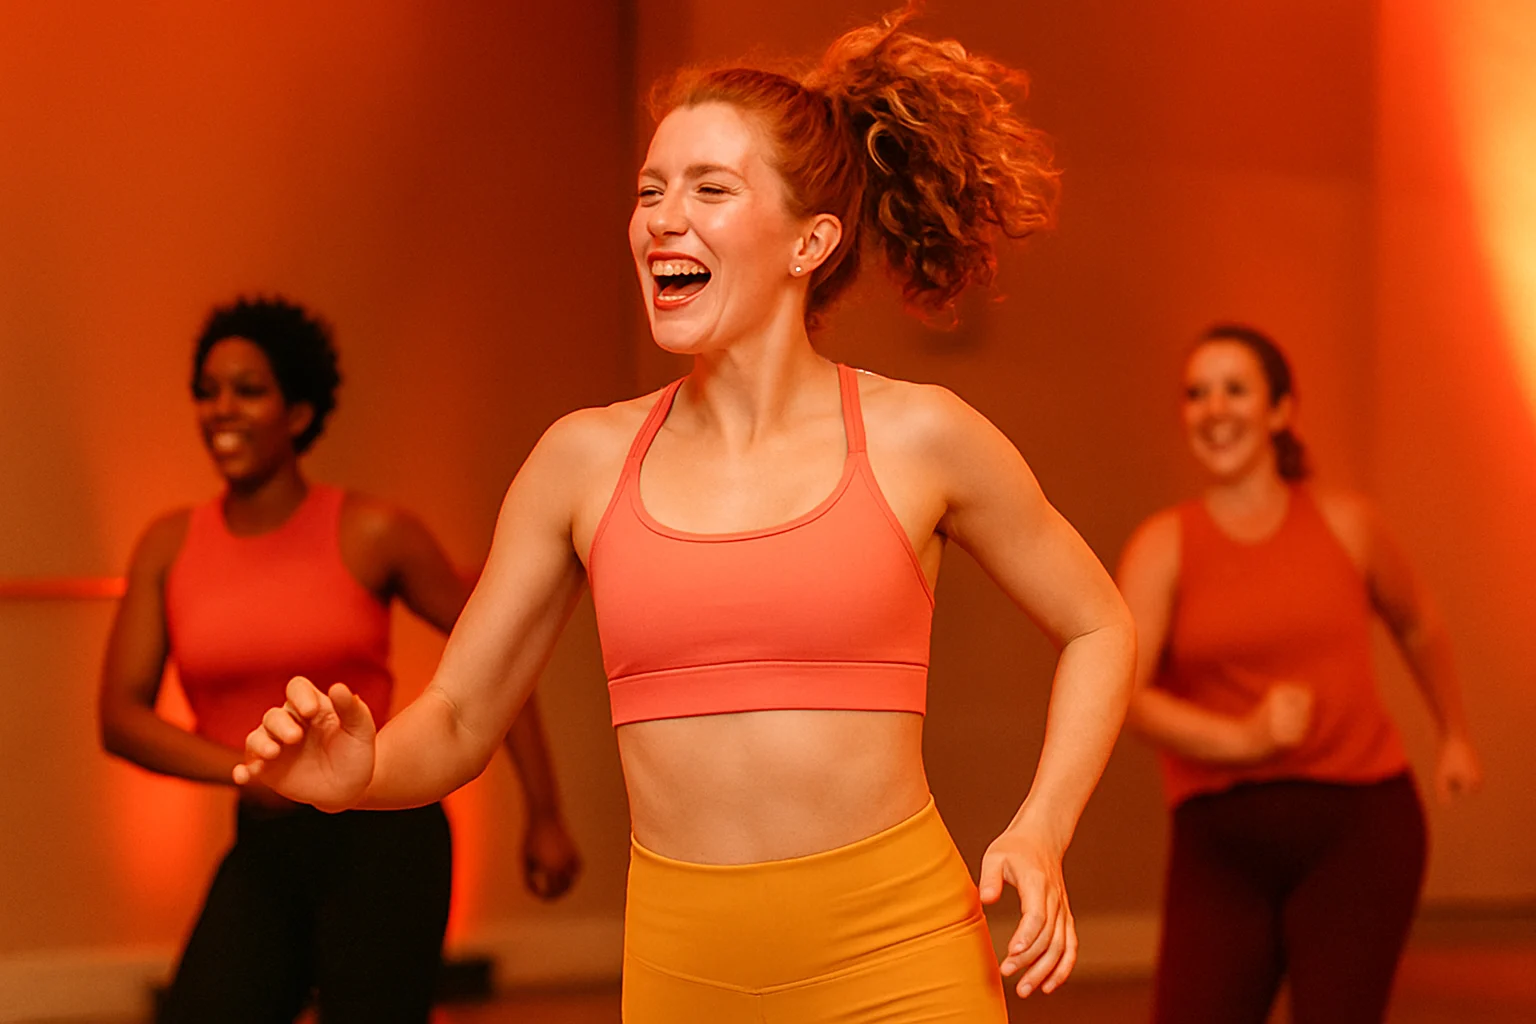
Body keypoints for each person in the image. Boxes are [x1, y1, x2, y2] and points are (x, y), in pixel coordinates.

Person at [236, 11, 1135, 1022]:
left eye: (710, 189)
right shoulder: (580, 461)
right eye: (651, 190)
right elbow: (455, 718)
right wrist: (358, 773)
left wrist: (1040, 828)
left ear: (812, 240)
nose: (664, 217)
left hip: (900, 963)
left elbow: (1100, 623)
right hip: (685, 977)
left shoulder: (920, 436)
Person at [98, 296, 582, 1024]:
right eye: (208, 389)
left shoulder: (375, 532)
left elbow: (499, 661)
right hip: (265, 840)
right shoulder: (168, 545)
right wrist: (244, 771)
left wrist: (545, 813)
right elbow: (120, 717)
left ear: (297, 414)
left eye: (248, 389)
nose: (220, 407)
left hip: (383, 834)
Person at [1116, 322, 1483, 1024]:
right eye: (1197, 394)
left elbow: (1418, 622)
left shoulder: (1349, 524)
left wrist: (1455, 735)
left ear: (1281, 412)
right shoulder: (1162, 546)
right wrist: (1244, 740)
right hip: (1220, 841)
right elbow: (1127, 700)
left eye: (1235, 390)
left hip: (1360, 828)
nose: (1214, 409)